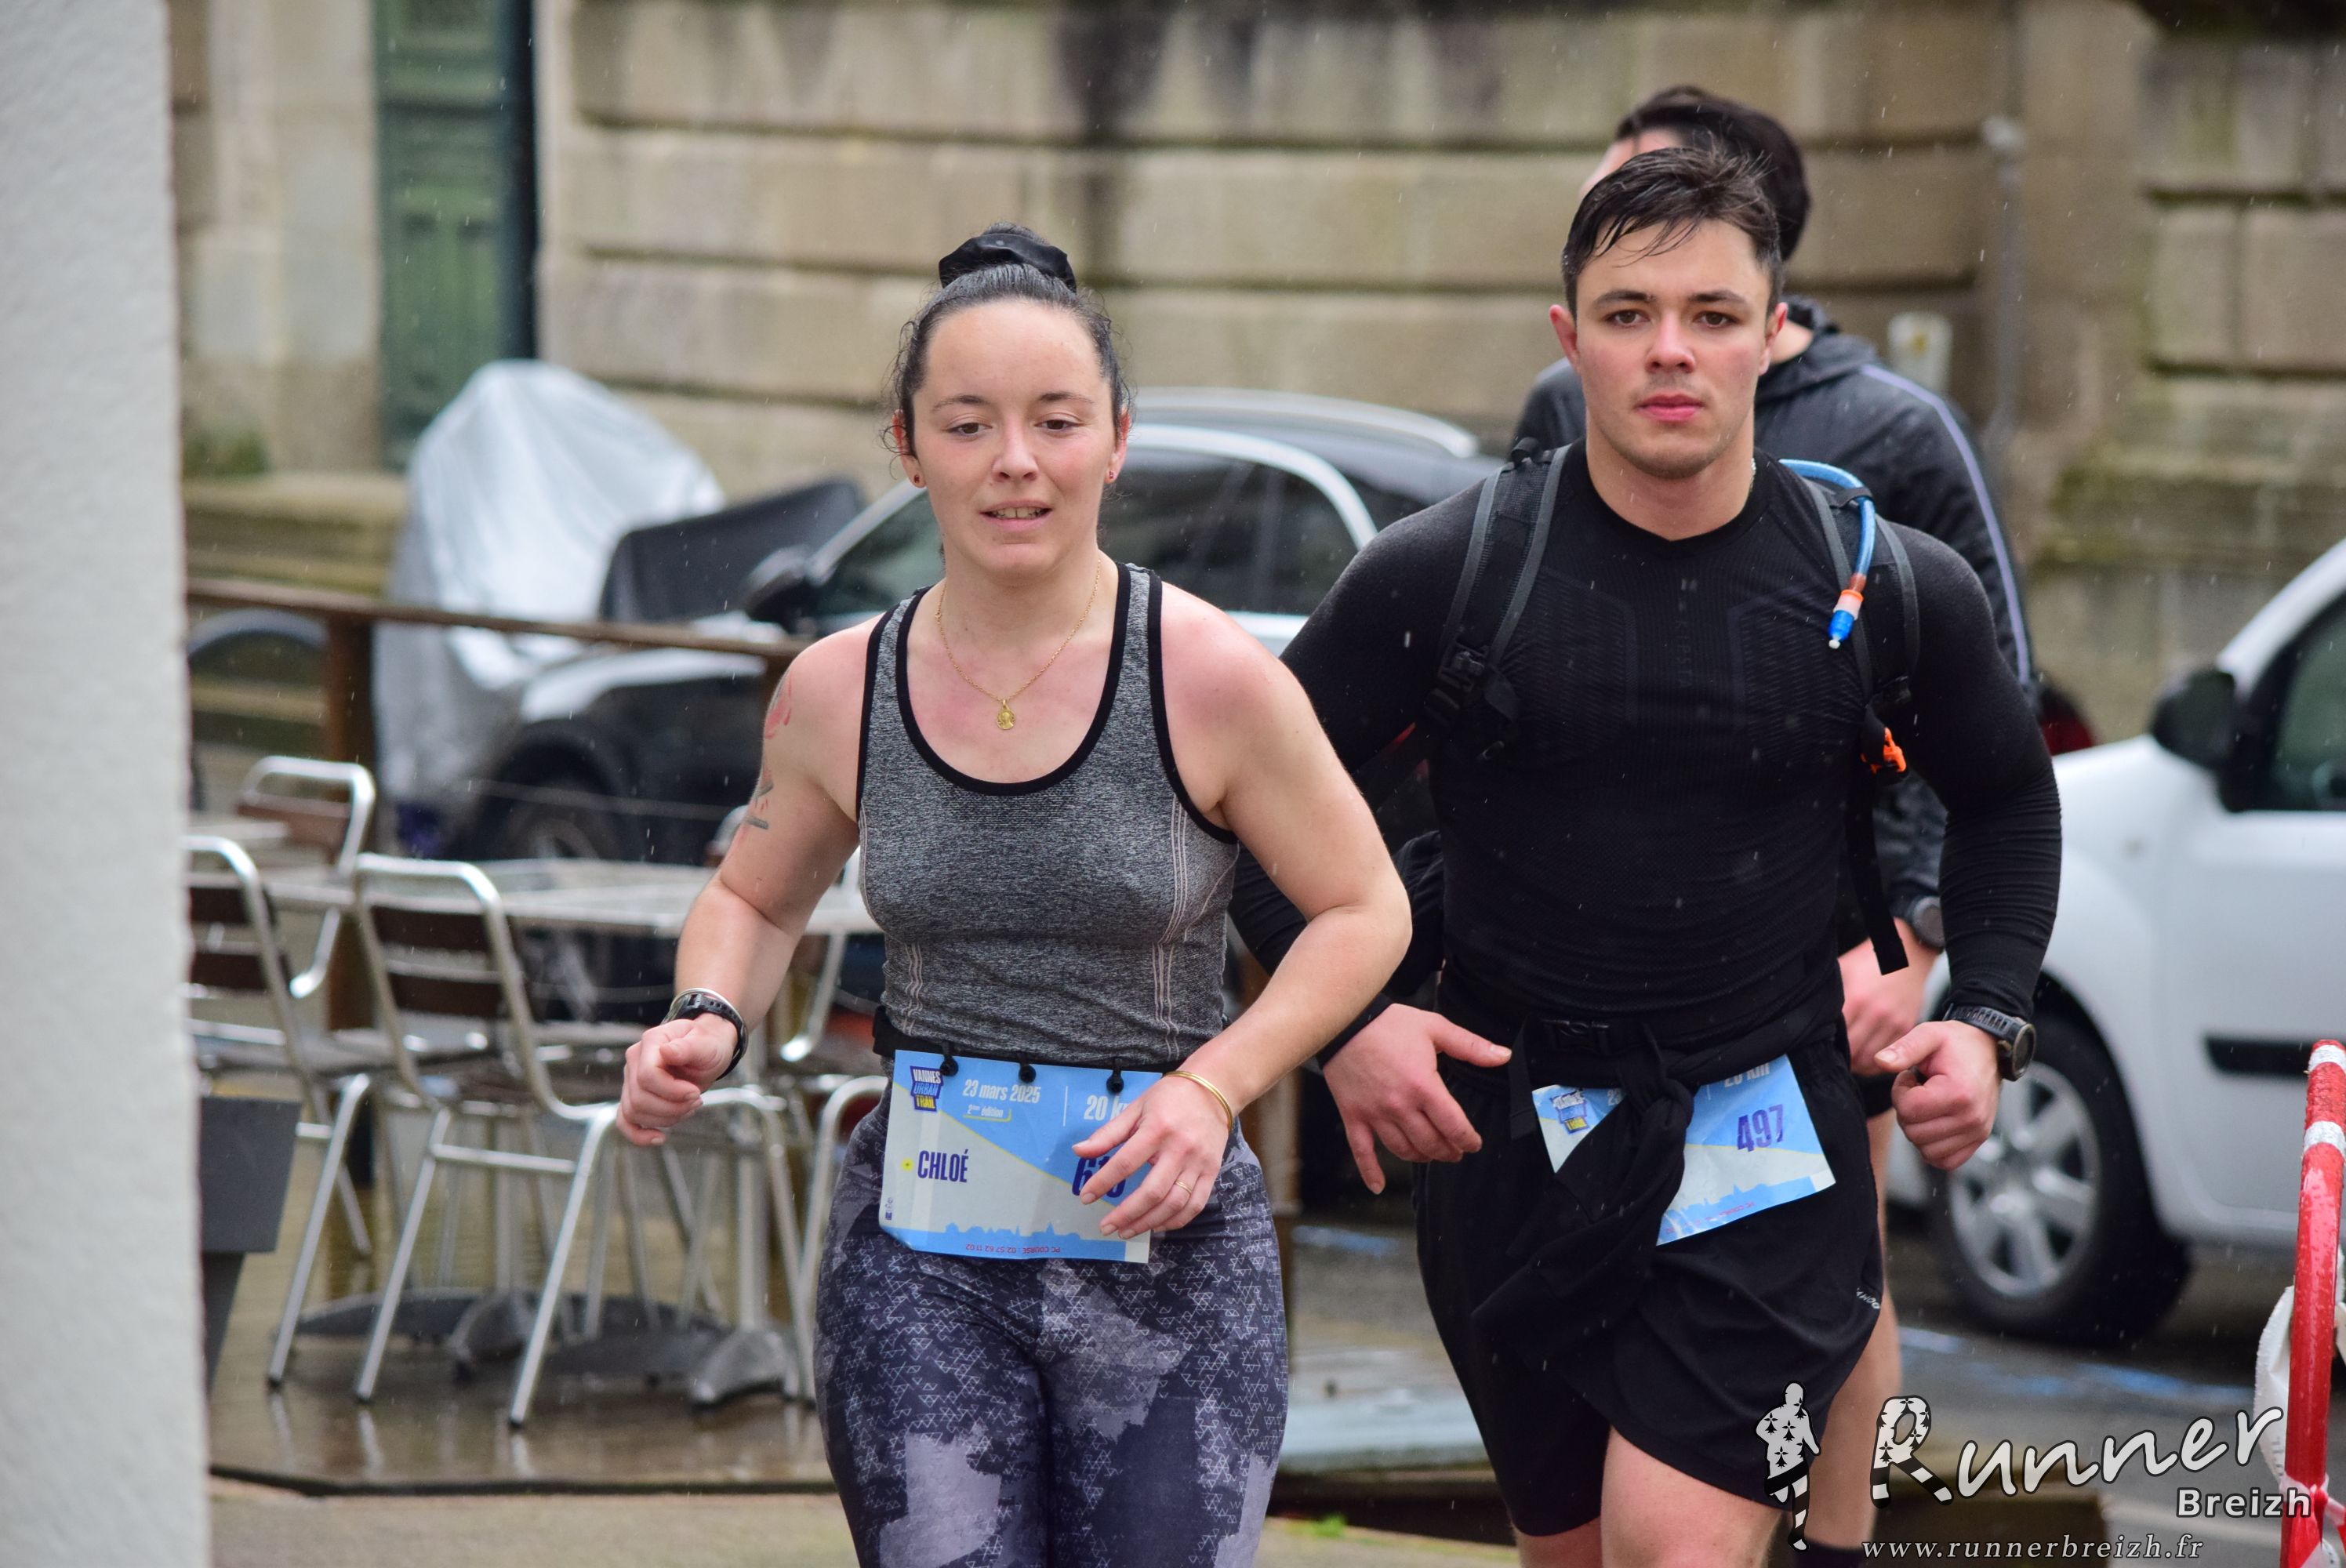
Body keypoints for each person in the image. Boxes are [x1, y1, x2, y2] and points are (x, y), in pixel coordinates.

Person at [1230, 150, 2060, 1566]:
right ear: (1570, 340)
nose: (1671, 350)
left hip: (1769, 1138)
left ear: (1772, 332)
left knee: (1673, 1546)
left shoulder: (1886, 582)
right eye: (1629, 316)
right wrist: (1352, 1026)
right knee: (1570, 1551)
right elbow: (1243, 799)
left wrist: (1983, 1016)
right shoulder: (1448, 571)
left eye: (1712, 315)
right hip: (1508, 1144)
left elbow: (2009, 800)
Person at [617, 224, 1411, 1566]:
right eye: (968, 424)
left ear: (1116, 440)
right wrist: (705, 1017)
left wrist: (1213, 1089)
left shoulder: (1209, 675)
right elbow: (753, 899)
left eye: (1056, 420)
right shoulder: (838, 688)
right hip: (923, 1244)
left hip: (1164, 1243)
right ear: (907, 446)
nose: (1016, 462)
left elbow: (1364, 909)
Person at [1511, 86, 2038, 1566]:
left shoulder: (1895, 432)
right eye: (1621, 287)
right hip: (1607, 965)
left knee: (1838, 1252)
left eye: (1701, 298)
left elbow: (1988, 704)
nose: (1663, 340)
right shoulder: (1561, 410)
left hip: (1835, 929)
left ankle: (1837, 1535)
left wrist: (1917, 934)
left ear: (1762, 280)